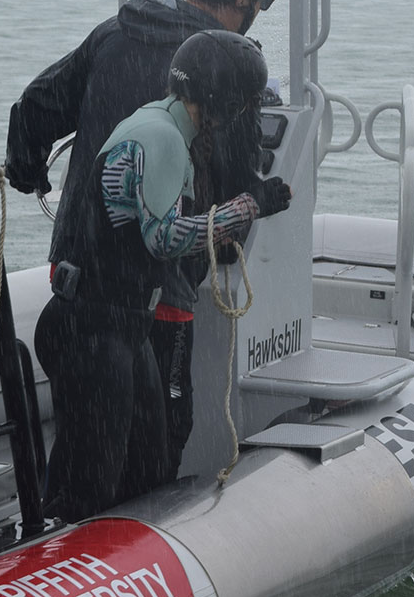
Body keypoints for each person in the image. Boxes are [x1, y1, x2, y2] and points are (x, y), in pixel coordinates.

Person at [5, 0, 281, 458]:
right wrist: (230, 233)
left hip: (80, 284)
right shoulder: (229, 74)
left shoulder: (117, 33)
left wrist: (27, 171)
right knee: (156, 444)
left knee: (88, 440)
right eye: (261, 3)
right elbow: (239, 193)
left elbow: (33, 109)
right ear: (244, 0)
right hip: (158, 299)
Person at [33, 30, 293, 522]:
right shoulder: (165, 139)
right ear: (225, 105)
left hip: (114, 325)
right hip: (95, 328)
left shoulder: (153, 122)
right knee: (94, 485)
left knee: (148, 466)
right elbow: (165, 238)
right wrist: (246, 206)